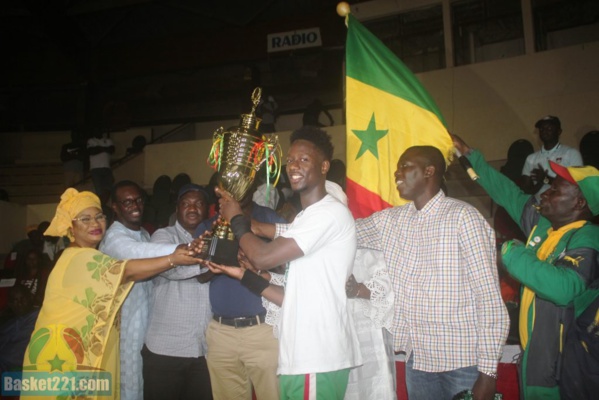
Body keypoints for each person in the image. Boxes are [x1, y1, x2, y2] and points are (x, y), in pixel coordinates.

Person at [214, 126, 362, 399]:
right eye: (290, 160)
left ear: (324, 165)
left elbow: (263, 256)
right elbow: (290, 297)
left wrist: (237, 218)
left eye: (304, 159)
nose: (293, 165)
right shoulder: (304, 219)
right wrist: (242, 275)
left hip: (317, 356)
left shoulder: (328, 213)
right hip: (300, 357)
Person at [355, 145, 509, 400]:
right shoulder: (391, 220)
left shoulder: (463, 218)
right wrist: (274, 231)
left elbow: (489, 299)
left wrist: (488, 373)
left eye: (405, 165)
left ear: (429, 171)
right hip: (419, 361)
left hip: (463, 364)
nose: (397, 172)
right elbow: (342, 232)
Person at [452, 134, 599, 400]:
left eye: (556, 190)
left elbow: (564, 287)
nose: (546, 192)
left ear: (580, 203)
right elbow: (506, 192)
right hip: (536, 358)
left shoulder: (588, 238)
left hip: (565, 369)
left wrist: (511, 251)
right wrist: (469, 155)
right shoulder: (543, 224)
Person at [19, 188, 201, 399]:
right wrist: (173, 258)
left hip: (76, 349)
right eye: (85, 219)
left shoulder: (89, 253)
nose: (95, 224)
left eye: (98, 217)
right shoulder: (80, 257)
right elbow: (126, 271)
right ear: (71, 226)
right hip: (61, 355)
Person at [194, 185, 286, 400]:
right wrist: (224, 260)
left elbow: (288, 268)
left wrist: (255, 265)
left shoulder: (268, 219)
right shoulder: (209, 226)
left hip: (263, 330)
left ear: (249, 185)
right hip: (221, 332)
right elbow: (199, 275)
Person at [99, 180, 184, 400]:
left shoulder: (144, 234)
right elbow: (136, 252)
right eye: (127, 202)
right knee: (129, 384)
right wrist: (179, 252)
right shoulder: (114, 238)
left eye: (138, 200)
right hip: (126, 327)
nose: (135, 205)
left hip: (148, 326)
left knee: (144, 384)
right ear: (115, 207)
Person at [144, 184, 213, 400]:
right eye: (186, 204)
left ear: (207, 209)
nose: (192, 208)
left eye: (198, 203)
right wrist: (210, 265)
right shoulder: (163, 237)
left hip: (204, 351)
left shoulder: (215, 239)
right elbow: (172, 271)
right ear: (177, 208)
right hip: (166, 350)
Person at [521, 115, 582, 199]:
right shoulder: (531, 158)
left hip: (565, 208)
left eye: (549, 128)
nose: (544, 131)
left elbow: (577, 186)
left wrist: (546, 179)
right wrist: (540, 183)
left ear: (559, 131)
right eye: (542, 129)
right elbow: (526, 190)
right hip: (539, 207)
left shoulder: (571, 153)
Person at [87, 132, 115, 197]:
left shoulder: (108, 140)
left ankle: (103, 204)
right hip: (95, 168)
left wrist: (98, 148)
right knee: (98, 190)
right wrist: (105, 149)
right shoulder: (91, 140)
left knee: (108, 189)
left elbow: (112, 150)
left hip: (107, 168)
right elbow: (92, 151)